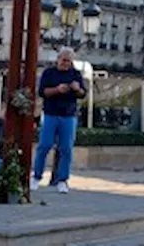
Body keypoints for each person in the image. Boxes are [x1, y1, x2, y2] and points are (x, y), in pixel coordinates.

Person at [33, 47, 85, 193]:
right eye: (63, 60)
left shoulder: (75, 74)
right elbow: (42, 91)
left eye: (68, 61)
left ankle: (62, 180)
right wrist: (57, 89)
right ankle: (36, 176)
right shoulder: (49, 73)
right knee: (44, 145)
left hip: (68, 116)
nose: (66, 64)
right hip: (50, 114)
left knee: (66, 148)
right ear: (58, 59)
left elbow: (82, 93)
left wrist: (76, 88)